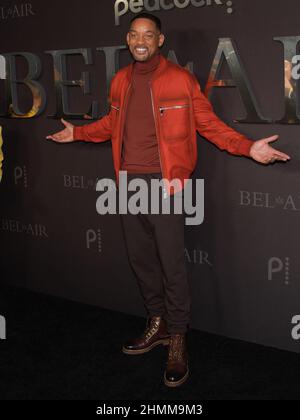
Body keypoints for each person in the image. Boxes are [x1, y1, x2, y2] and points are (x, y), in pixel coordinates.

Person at [46, 13, 290, 388]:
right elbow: (112, 125)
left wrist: (247, 147)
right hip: (127, 184)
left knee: (171, 265)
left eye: (149, 34)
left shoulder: (179, 79)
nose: (140, 40)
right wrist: (77, 132)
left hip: (168, 185)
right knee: (141, 260)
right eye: (134, 34)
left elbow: (208, 124)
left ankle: (177, 337)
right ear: (128, 40)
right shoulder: (121, 80)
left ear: (160, 40)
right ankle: (156, 323)